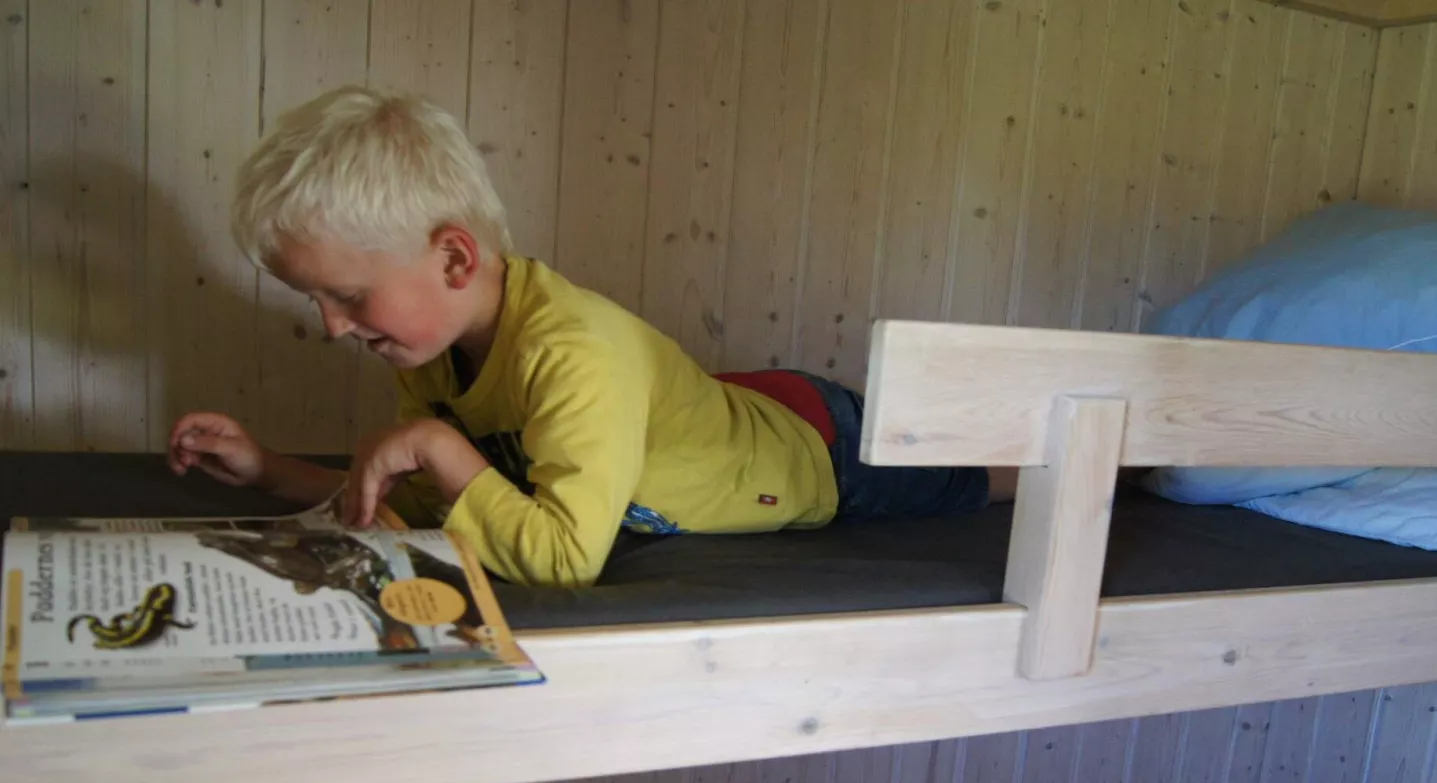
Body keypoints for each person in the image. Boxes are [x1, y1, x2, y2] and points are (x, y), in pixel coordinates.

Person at [168, 86, 1010, 588]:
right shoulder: (431, 352)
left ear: (455, 258)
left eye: (347, 297)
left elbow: (565, 558)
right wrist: (267, 470)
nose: (330, 327)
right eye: (317, 300)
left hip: (815, 447)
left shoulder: (569, 354)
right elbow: (427, 500)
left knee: (987, 474)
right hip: (702, 418)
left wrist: (432, 445)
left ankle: (1123, 452)